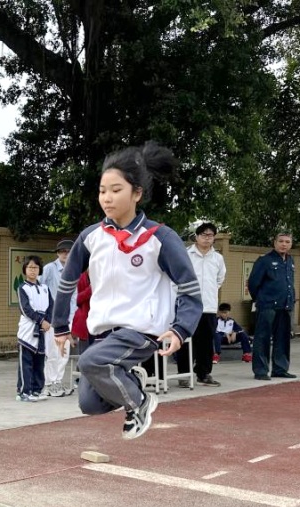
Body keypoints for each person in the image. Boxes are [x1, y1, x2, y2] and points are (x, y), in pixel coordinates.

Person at [52, 143, 202, 440]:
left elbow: (189, 288)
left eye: (116, 190)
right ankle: (129, 379)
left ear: (137, 193)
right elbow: (67, 282)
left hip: (141, 328)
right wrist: (60, 326)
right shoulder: (91, 237)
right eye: (102, 191)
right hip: (102, 332)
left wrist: (181, 328)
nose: (106, 198)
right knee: (89, 404)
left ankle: (141, 402)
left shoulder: (159, 237)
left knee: (90, 362)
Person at [176, 222, 226, 387]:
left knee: (206, 342)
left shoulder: (217, 258)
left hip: (208, 306)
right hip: (188, 305)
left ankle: (203, 373)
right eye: (203, 235)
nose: (207, 238)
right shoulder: (186, 255)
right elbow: (178, 276)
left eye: (210, 235)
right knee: (185, 341)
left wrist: (209, 292)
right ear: (196, 236)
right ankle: (184, 375)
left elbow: (219, 279)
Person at [248, 232, 297, 380]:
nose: (284, 244)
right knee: (262, 338)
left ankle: (280, 369)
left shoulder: (290, 260)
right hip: (268, 306)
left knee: (283, 339)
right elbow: (253, 283)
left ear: (291, 244)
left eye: (287, 242)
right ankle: (261, 371)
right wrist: (262, 299)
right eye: (281, 241)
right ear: (274, 243)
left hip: (285, 305)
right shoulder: (264, 260)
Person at [40, 239, 76, 396]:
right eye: (62, 251)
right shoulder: (49, 268)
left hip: (67, 318)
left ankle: (58, 381)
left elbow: (74, 296)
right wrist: (44, 316)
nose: (65, 254)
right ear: (57, 253)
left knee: (64, 353)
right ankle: (49, 383)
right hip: (52, 318)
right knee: (52, 352)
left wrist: (72, 317)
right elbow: (40, 288)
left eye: (68, 251)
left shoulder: (74, 270)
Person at [16, 255, 50, 401]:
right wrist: (41, 320)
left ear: (39, 270)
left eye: (35, 267)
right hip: (27, 330)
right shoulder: (22, 288)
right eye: (30, 267)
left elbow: (51, 306)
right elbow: (25, 309)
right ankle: (24, 392)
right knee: (26, 362)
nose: (33, 270)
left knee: (39, 361)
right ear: (25, 269)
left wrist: (48, 321)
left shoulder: (45, 288)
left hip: (42, 330)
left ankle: (37, 390)